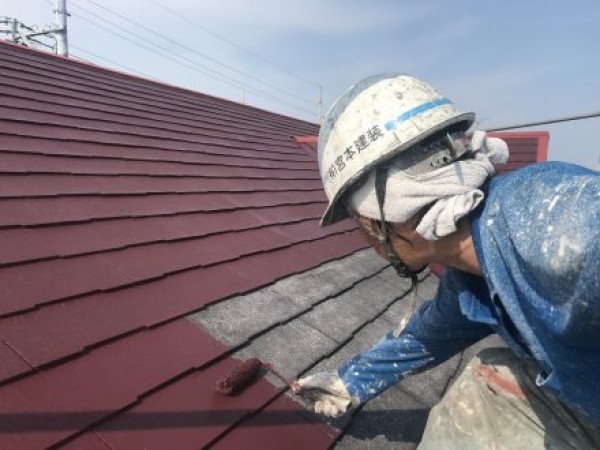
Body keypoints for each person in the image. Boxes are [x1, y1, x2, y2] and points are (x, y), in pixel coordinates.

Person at [291, 74, 600, 449]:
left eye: (357, 222)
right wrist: (347, 382)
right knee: (486, 385)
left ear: (377, 220)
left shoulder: (554, 226)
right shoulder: (475, 278)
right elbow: (422, 339)